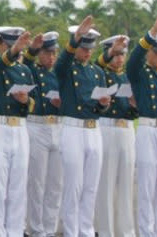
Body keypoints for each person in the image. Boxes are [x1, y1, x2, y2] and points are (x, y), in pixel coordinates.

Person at [55, 16, 109, 237]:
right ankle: (71, 232)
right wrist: (75, 38)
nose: (86, 52)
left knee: (90, 187)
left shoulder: (97, 72)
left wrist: (104, 105)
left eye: (89, 48)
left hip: (93, 128)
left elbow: (100, 105)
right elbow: (61, 63)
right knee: (73, 186)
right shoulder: (67, 69)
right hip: (73, 128)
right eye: (82, 48)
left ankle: (86, 230)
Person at [0, 27, 35, 236]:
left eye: (18, 46)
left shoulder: (24, 71)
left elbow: (33, 103)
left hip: (19, 127)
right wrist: (11, 54)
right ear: (1, 45)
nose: (16, 50)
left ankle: (14, 231)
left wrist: (26, 100)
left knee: (18, 186)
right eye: (11, 45)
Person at [94, 34, 136, 237]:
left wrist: (135, 105)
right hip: (107, 128)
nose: (120, 59)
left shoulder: (127, 77)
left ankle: (126, 231)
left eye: (123, 54)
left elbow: (133, 109)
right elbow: (97, 64)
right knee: (107, 183)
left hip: (127, 129)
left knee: (126, 183)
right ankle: (105, 230)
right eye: (116, 54)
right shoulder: (101, 73)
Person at [23, 31, 64, 237]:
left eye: (54, 53)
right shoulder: (32, 70)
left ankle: (50, 228)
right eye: (47, 53)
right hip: (37, 125)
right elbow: (27, 62)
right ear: (40, 53)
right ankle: (35, 228)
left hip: (57, 125)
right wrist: (31, 50)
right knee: (37, 182)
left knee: (55, 183)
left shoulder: (58, 73)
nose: (51, 57)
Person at [128, 16, 157, 237]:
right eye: (155, 52)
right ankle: (147, 233)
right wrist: (151, 34)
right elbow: (133, 61)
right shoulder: (140, 73)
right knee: (146, 185)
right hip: (147, 128)